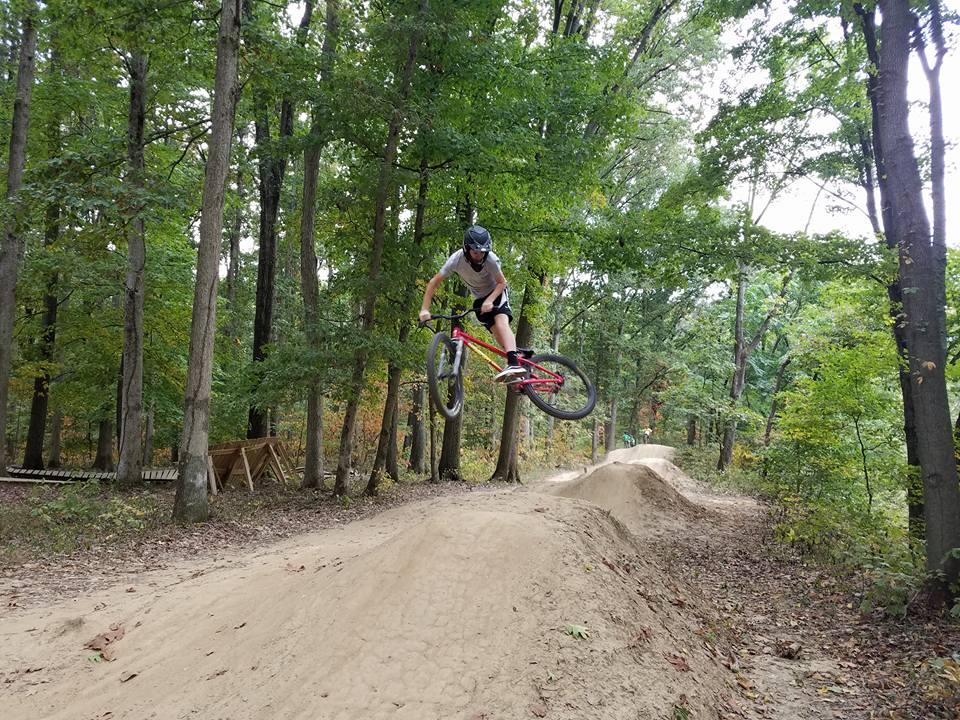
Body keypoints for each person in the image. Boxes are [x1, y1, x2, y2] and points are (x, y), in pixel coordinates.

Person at [419, 225, 525, 382]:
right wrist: (424, 309)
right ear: (466, 248)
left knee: (501, 322)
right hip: (480, 299)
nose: (479, 256)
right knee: (497, 334)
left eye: (483, 252)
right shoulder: (455, 261)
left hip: (497, 292)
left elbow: (502, 283)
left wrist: (490, 300)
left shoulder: (491, 260)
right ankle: (519, 358)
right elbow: (433, 283)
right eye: (476, 252)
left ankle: (514, 363)